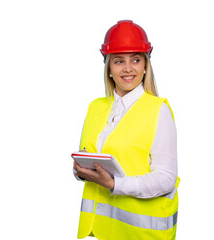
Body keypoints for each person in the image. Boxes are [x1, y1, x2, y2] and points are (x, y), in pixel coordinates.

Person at [73, 20, 180, 240]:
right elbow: (91, 157)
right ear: (109, 68)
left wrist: (114, 184)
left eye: (136, 59)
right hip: (99, 232)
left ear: (145, 66)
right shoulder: (96, 107)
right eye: (119, 61)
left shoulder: (158, 110)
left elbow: (166, 178)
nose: (128, 68)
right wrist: (81, 172)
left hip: (141, 234)